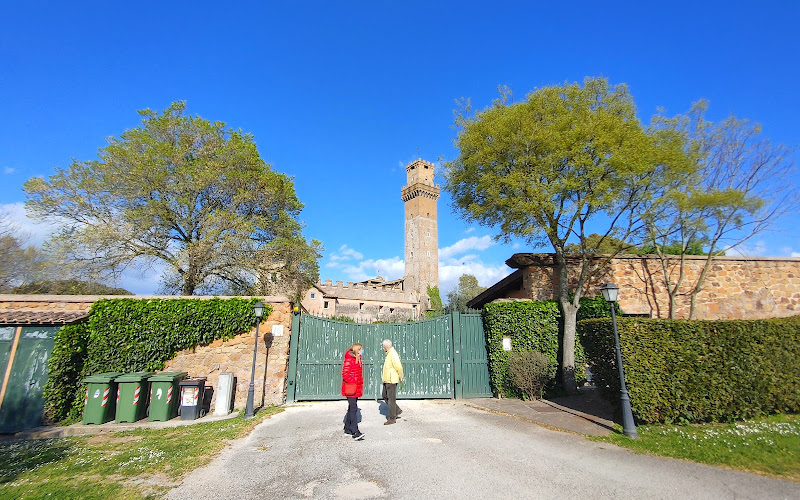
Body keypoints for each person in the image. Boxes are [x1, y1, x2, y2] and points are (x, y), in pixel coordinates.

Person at [342, 342, 365, 440]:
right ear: (357, 350)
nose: (362, 351)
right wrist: (354, 382)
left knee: (351, 408)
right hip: (351, 388)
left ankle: (347, 428)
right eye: (361, 349)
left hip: (356, 388)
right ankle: (355, 431)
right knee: (353, 408)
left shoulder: (358, 359)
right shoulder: (349, 360)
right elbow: (345, 374)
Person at [381, 339, 404, 425]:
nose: (383, 348)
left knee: (391, 399)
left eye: (383, 346)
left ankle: (392, 418)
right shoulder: (389, 354)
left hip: (391, 380)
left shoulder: (393, 354)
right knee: (384, 395)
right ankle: (397, 410)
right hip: (387, 379)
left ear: (385, 347)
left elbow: (399, 366)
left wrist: (401, 376)